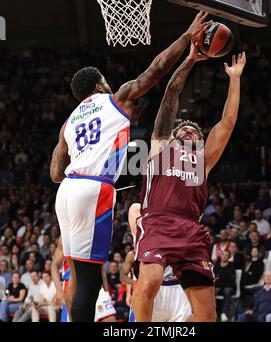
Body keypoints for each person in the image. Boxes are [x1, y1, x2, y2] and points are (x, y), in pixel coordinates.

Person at [51, 11, 210, 322]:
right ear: (99, 85)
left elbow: (56, 172)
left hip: (66, 191)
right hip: (92, 188)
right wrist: (185, 37)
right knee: (90, 278)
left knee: (74, 269)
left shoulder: (68, 123)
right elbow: (155, 71)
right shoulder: (115, 98)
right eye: (105, 81)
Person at [132, 47, 246, 322]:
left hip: (191, 229)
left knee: (207, 316)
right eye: (183, 128)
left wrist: (235, 78)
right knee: (149, 282)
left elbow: (227, 123)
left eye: (195, 131)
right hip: (158, 221)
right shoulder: (159, 147)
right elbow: (171, 94)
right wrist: (191, 59)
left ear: (199, 140)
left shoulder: (203, 160)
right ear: (171, 135)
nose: (189, 130)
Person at [124, 203, 192, 322]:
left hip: (178, 288)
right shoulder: (138, 212)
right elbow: (136, 210)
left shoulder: (182, 214)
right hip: (150, 287)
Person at [214, 250, 236, 322]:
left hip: (228, 289)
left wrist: (219, 287)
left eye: (226, 255)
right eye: (223, 254)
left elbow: (231, 283)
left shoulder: (231, 267)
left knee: (227, 290)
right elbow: (214, 279)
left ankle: (224, 313)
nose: (224, 256)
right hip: (217, 288)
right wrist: (215, 287)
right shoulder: (216, 265)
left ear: (229, 257)